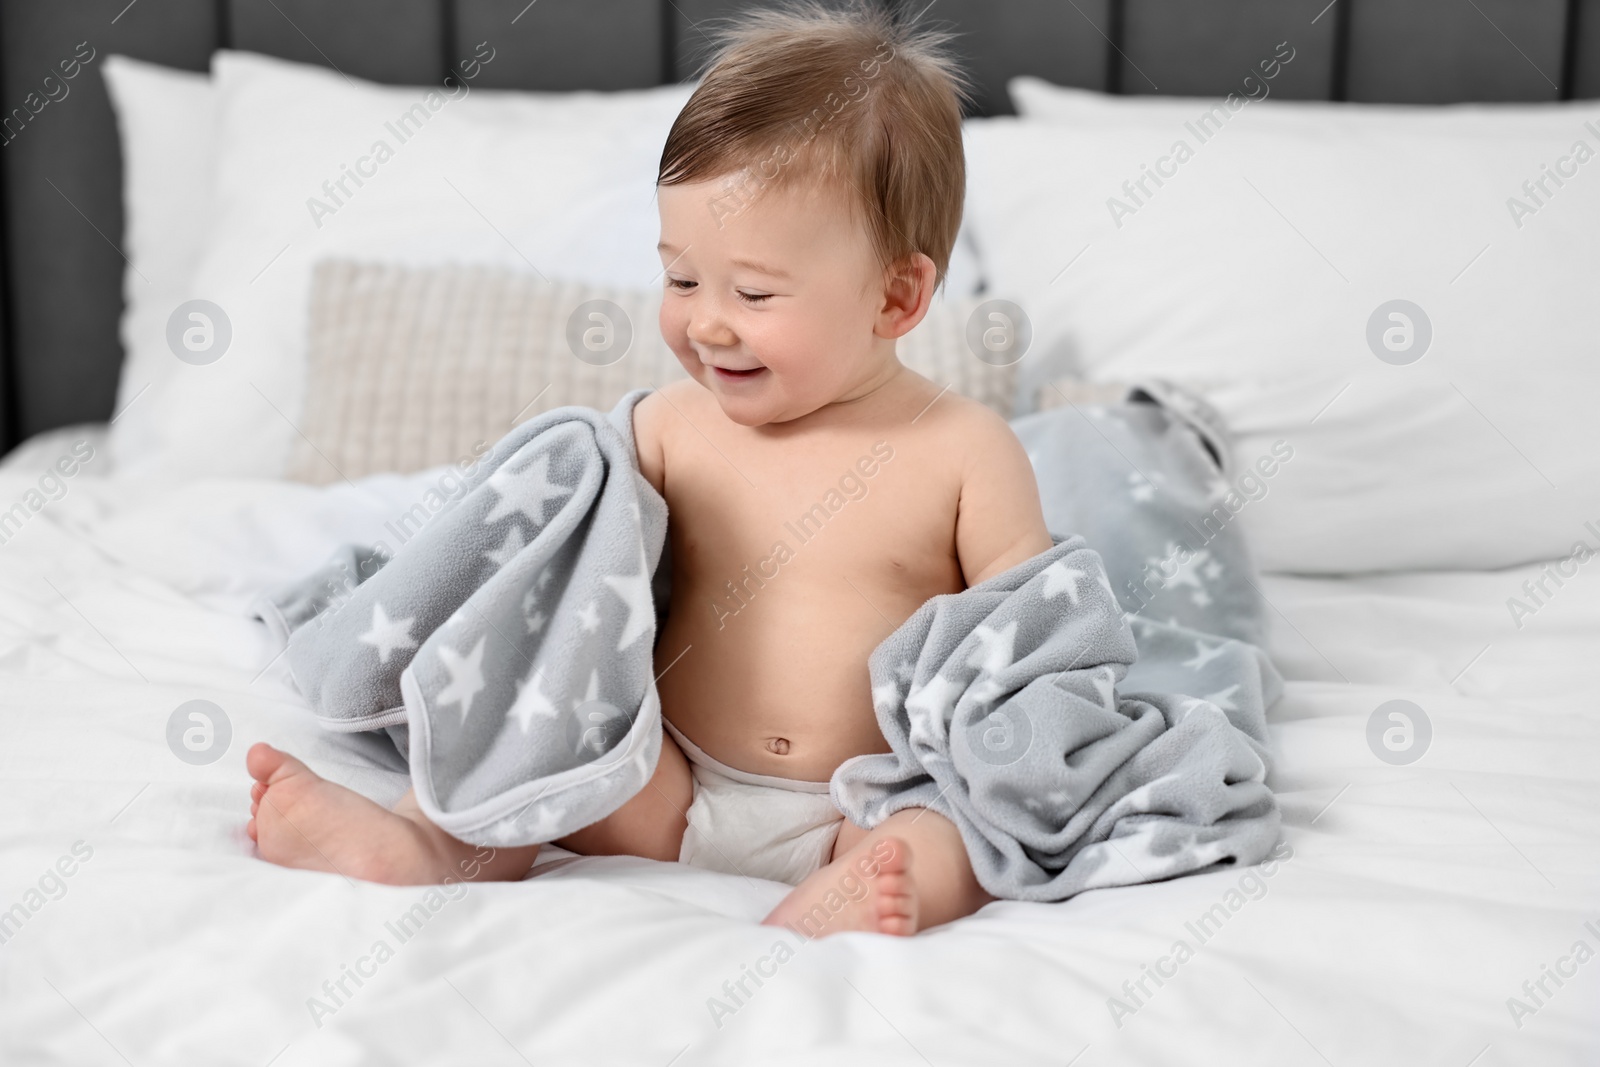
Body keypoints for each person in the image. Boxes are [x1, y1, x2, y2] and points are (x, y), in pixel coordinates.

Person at [247, 0, 1056, 937]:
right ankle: (424, 845)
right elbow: (557, 588)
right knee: (532, 746)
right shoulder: (668, 428)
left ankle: (858, 894)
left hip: (863, 798)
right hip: (659, 783)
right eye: (680, 279)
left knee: (964, 834)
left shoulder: (961, 449)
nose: (706, 322)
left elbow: (1025, 650)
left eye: (753, 292)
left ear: (898, 293)